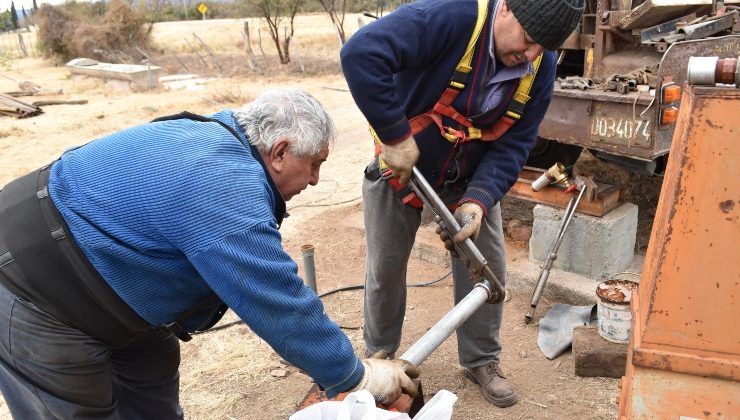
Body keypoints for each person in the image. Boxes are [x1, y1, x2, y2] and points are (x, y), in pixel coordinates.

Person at [0, 88, 419, 419]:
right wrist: (357, 376)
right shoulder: (223, 184)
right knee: (76, 408)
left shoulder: (224, 138)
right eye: (313, 165)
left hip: (98, 278)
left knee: (153, 379)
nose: (315, 180)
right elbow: (276, 301)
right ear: (279, 152)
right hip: (33, 286)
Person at [341, 0, 584, 408]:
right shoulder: (451, 18)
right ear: (504, 8)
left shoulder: (538, 67)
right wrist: (395, 135)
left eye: (542, 48)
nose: (530, 56)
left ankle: (481, 359)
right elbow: (361, 54)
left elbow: (516, 144)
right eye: (527, 40)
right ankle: (379, 358)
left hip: (468, 176)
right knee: (385, 265)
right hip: (403, 167)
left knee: (486, 267)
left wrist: (480, 200)